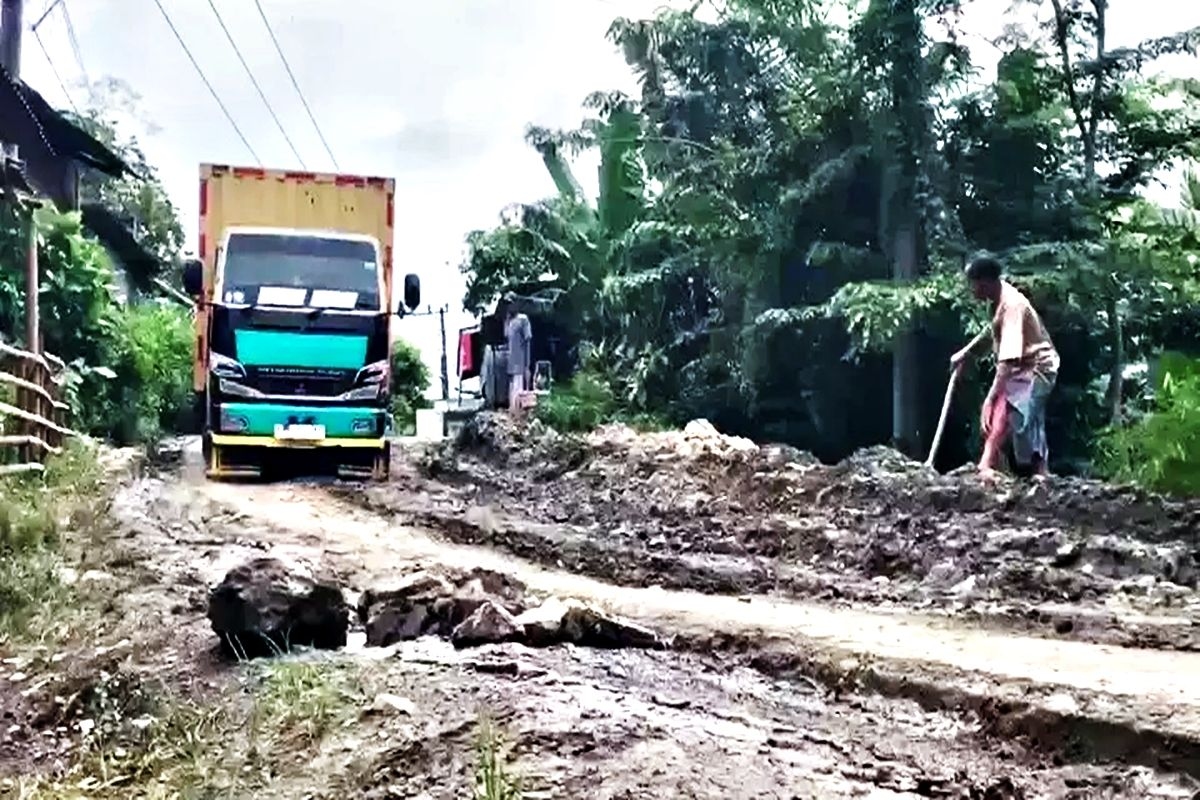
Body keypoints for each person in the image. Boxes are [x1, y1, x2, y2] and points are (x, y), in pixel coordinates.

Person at [951, 254, 1060, 479]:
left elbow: (1007, 361)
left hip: (1038, 367)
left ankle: (1023, 469)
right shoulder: (998, 299)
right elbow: (992, 331)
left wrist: (990, 398)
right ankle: (996, 465)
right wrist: (966, 353)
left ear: (985, 282)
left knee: (1015, 413)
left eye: (973, 284)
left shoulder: (1013, 305)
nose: (971, 290)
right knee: (1013, 413)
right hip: (1022, 367)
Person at [504, 303, 532, 414]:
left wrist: (527, 363)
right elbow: (506, 336)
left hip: (521, 359)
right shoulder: (510, 322)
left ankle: (518, 412)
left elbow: (527, 339)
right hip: (512, 360)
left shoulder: (523, 319)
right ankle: (513, 411)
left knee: (519, 386)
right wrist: (506, 320)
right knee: (513, 387)